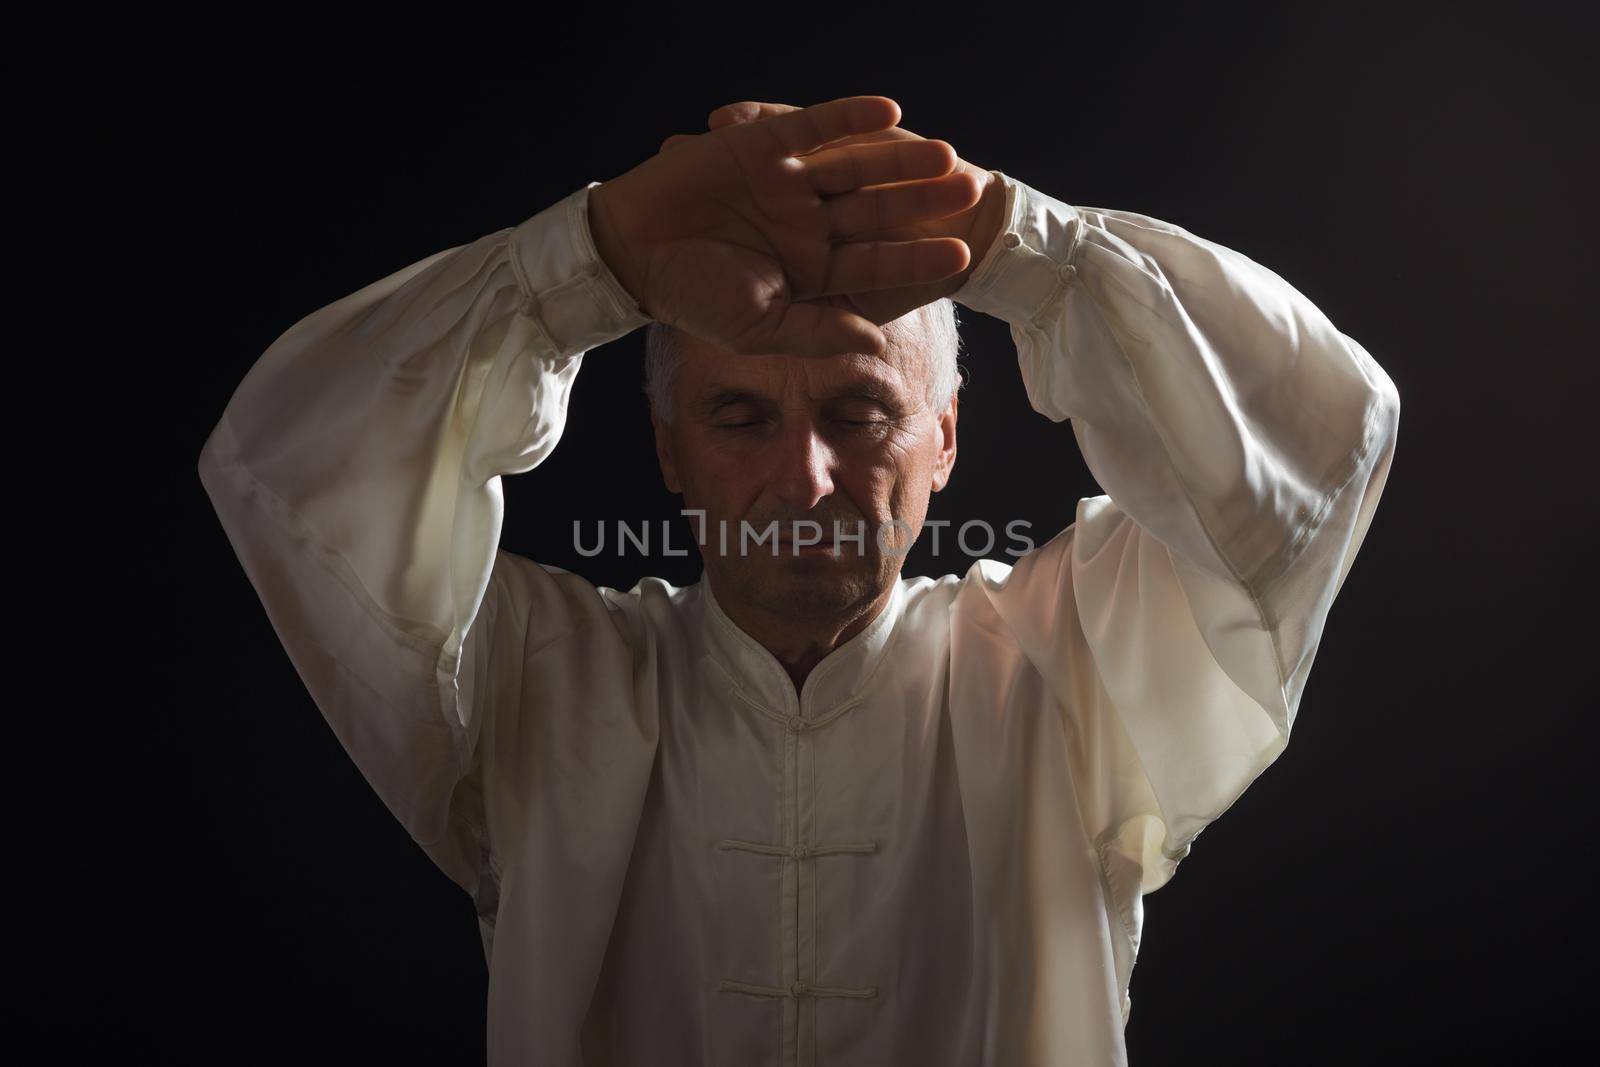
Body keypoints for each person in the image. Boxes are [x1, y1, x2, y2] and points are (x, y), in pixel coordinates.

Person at [197, 94, 1401, 1066]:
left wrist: (1023, 248)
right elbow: (290, 469)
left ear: (943, 440)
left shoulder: (1072, 661)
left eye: (859, 409)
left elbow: (1318, 442)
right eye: (738, 414)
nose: (805, 477)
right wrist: (582, 261)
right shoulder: (529, 682)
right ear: (668, 447)